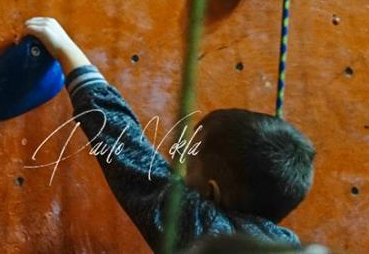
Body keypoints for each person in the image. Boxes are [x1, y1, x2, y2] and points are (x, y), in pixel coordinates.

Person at [24, 16, 316, 251]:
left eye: (188, 164)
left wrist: (65, 49)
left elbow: (125, 146)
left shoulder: (202, 228)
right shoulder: (290, 245)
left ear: (210, 194)